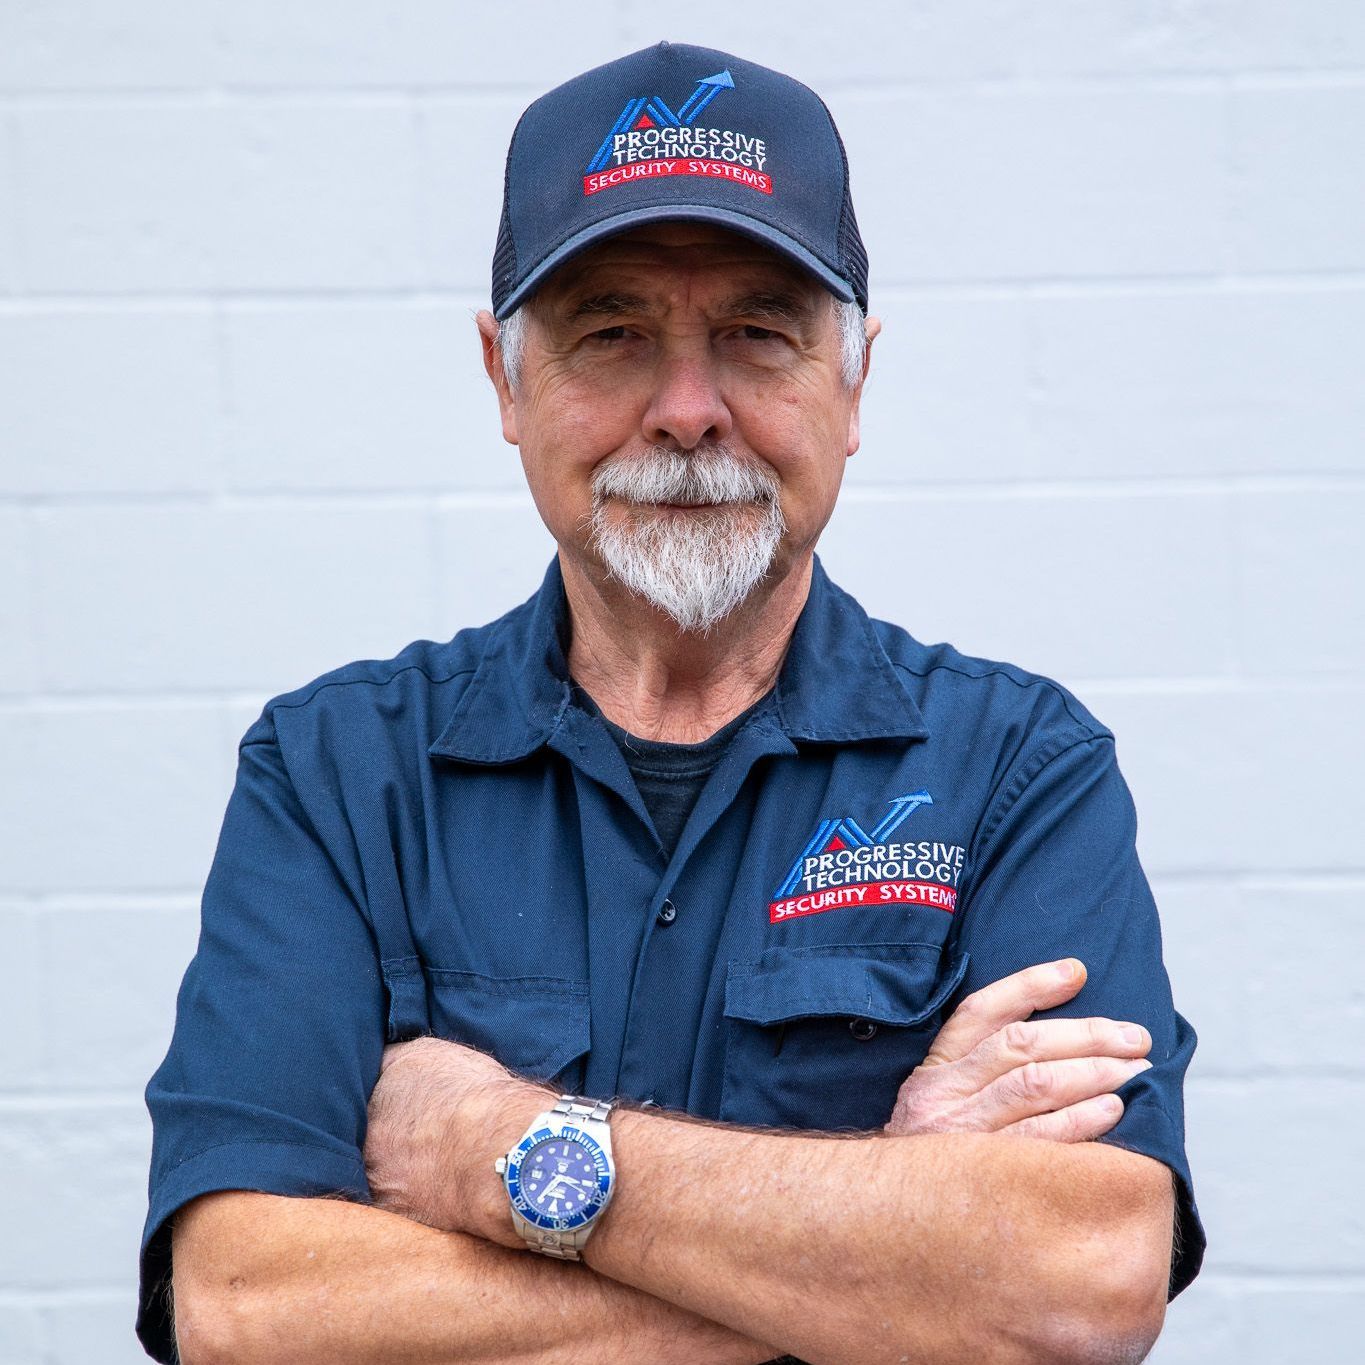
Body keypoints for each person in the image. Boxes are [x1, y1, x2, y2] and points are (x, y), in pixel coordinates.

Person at [138, 41, 1204, 1365]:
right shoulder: (338, 775)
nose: (690, 410)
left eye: (756, 333)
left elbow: (1085, 1276)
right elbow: (246, 1311)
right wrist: (884, 1236)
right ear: (505, 383)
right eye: (613, 334)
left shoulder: (1015, 770)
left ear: (853, 379)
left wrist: (493, 1149)